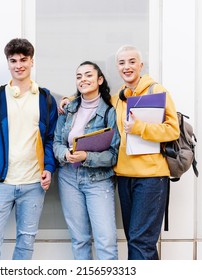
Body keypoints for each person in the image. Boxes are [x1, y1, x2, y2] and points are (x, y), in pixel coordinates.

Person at [59, 45, 180, 260]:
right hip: (124, 176)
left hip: (151, 177)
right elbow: (89, 97)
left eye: (132, 61)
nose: (127, 67)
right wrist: (69, 99)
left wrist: (139, 128)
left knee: (141, 240)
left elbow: (172, 130)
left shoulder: (157, 91)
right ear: (117, 68)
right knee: (134, 238)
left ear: (141, 65)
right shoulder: (116, 99)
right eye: (122, 63)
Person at [0, 38, 58, 260]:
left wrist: (49, 168)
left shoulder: (45, 99)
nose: (19, 65)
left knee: (26, 243)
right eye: (13, 60)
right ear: (8, 63)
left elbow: (51, 139)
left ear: (32, 61)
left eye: (24, 59)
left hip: (34, 184)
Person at [53, 61, 120, 260]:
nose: (83, 79)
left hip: (98, 180)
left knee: (105, 241)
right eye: (79, 76)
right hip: (68, 177)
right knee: (79, 239)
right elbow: (56, 142)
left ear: (100, 80)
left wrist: (87, 157)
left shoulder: (110, 111)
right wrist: (65, 153)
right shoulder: (69, 108)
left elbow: (114, 154)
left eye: (89, 75)